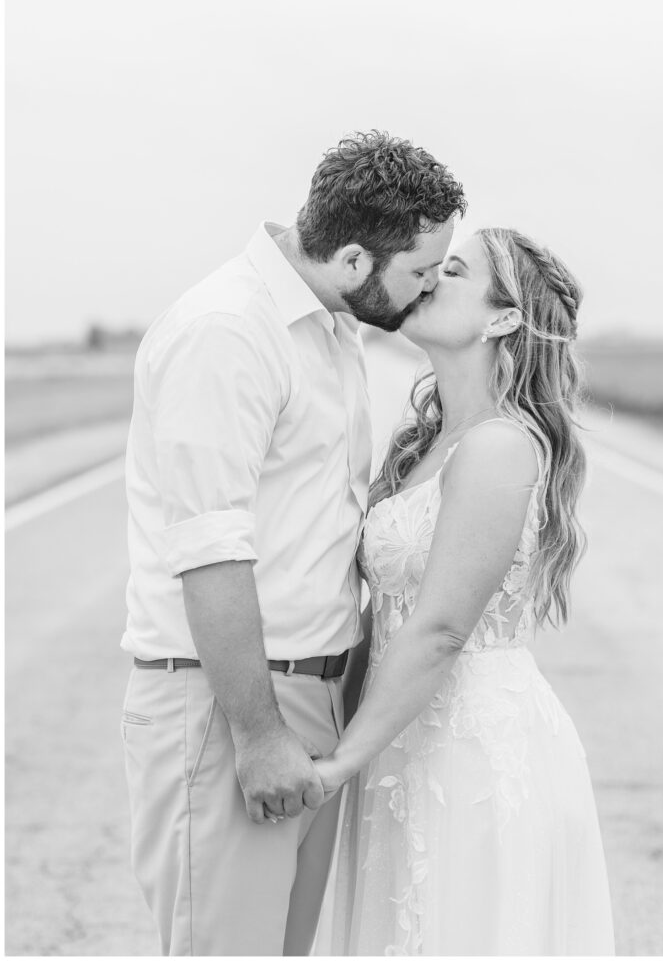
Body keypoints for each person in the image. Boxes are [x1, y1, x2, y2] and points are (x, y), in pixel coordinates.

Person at [119, 131, 466, 956]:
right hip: (231, 701)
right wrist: (258, 732)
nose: (427, 289)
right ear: (352, 258)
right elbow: (210, 549)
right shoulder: (228, 332)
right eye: (420, 271)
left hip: (314, 697)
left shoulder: (331, 328)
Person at [313, 228, 615, 955]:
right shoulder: (428, 443)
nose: (425, 280)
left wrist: (337, 765)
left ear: (503, 317)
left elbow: (442, 627)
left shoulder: (501, 447)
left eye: (452, 271)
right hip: (398, 738)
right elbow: (377, 617)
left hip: (474, 753)